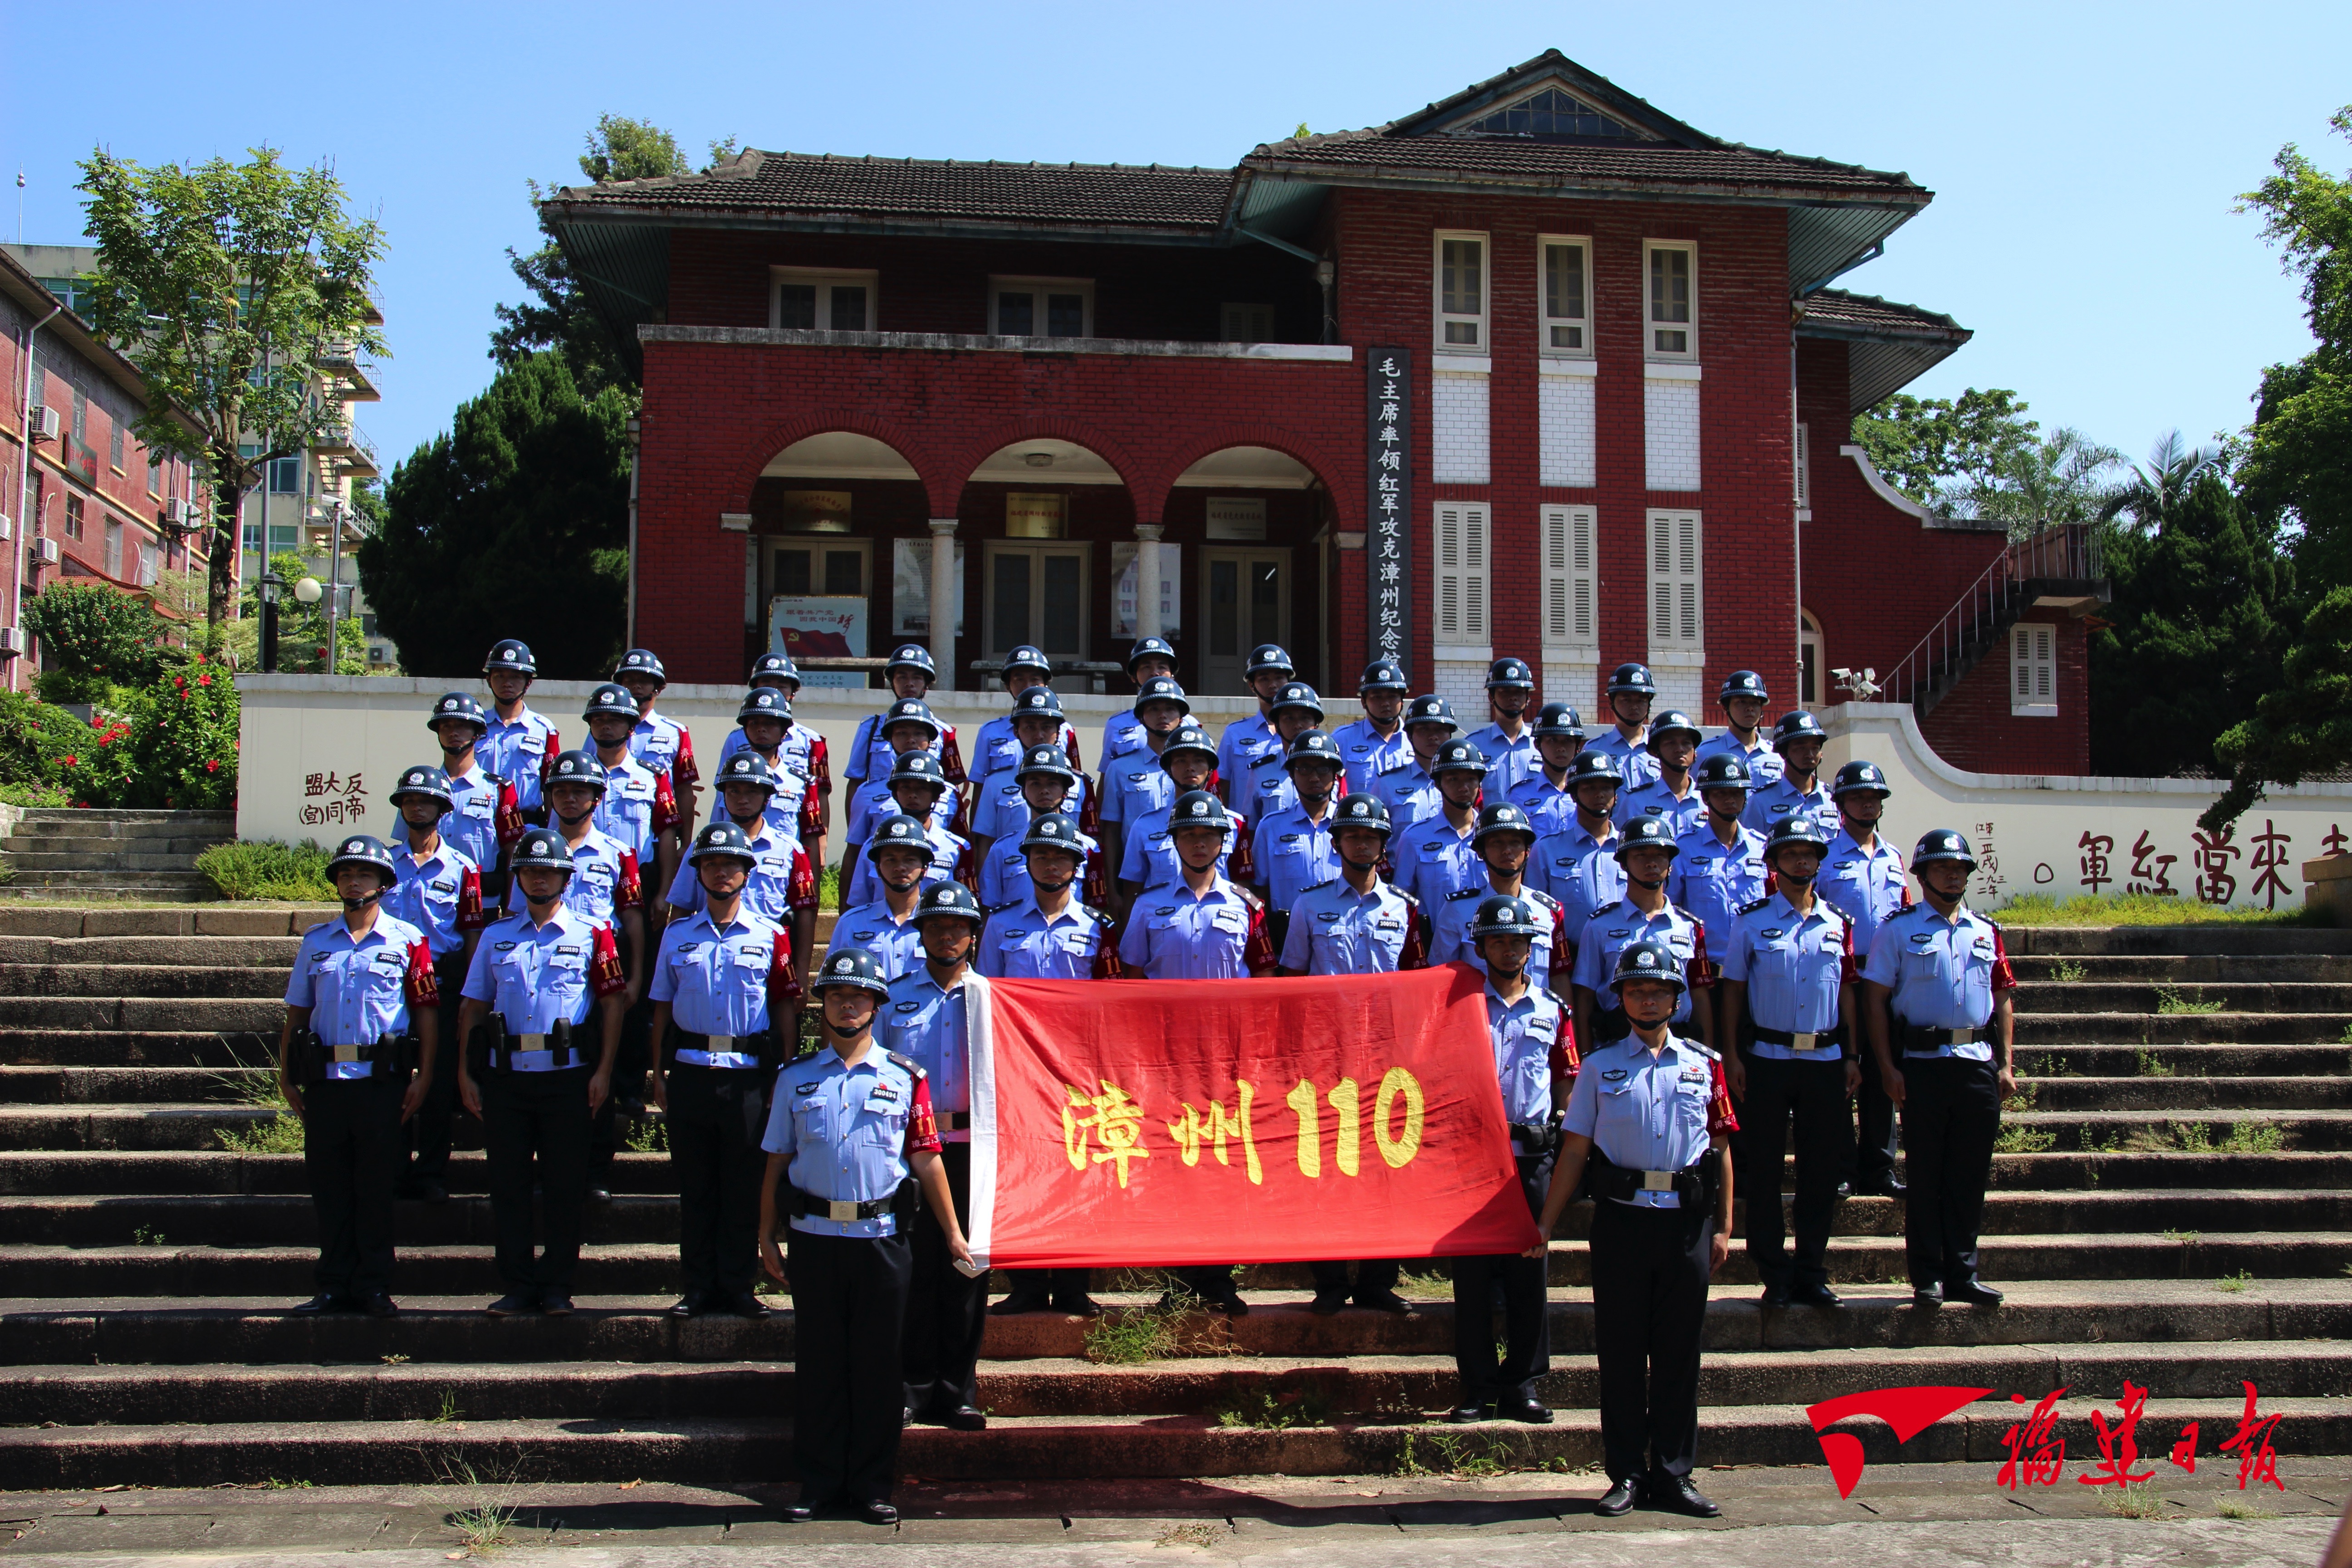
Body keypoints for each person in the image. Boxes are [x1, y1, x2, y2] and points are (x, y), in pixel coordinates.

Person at [758, 948, 970, 1527]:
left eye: (858, 997)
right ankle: (820, 1483)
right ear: (821, 1006)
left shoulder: (906, 1079)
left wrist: (953, 1235)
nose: (846, 1006)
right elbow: (777, 1161)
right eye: (835, 996)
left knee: (879, 1367)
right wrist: (766, 1236)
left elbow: (927, 1161)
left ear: (877, 1006)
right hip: (815, 1238)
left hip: (881, 1241)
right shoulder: (796, 1079)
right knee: (821, 1364)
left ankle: (874, 1485)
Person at [1531, 939, 1737, 1520]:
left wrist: (1724, 1228)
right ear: (1620, 998)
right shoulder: (1599, 1067)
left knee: (1678, 1354)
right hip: (1622, 1222)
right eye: (1636, 990)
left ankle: (1673, 1473)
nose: (1648, 1000)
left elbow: (1720, 1151)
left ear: (1677, 998)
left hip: (1685, 1226)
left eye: (1659, 991)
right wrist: (1546, 1223)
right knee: (1621, 1353)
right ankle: (1625, 1473)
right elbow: (1574, 1153)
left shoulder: (1706, 1065)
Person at [455, 828, 628, 1316]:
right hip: (506, 1076)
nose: (539, 879)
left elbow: (613, 1004)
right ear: (519, 879)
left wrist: (605, 1070)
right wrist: (466, 1074)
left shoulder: (594, 933)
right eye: (530, 870)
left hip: (568, 1076)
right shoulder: (495, 935)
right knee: (507, 1185)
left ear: (566, 878)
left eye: (548, 871)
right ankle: (518, 1284)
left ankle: (556, 1285)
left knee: (564, 1184)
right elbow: (472, 1007)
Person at [1117, 791, 1274, 1316]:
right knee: (1173, 1164)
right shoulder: (1148, 906)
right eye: (1189, 835)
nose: (1199, 842)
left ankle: (1221, 1278)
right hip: (1167, 1060)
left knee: (1225, 1162)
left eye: (1208, 835)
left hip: (1228, 1059)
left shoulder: (1247, 907)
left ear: (1222, 842)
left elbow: (1266, 979)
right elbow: (1133, 976)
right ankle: (1180, 1279)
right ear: (1175, 842)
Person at [279, 835, 441, 1316]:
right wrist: (287, 1077)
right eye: (346, 874)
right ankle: (332, 1283)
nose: (354, 881)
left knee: (375, 1188)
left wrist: (426, 1075)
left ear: (384, 884)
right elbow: (296, 1016)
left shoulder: (410, 942)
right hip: (326, 1082)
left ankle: (373, 1284)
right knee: (330, 1188)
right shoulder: (316, 943)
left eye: (364, 874)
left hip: (380, 1082)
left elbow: (426, 1014)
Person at [647, 821, 802, 1319]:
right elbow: (661, 1009)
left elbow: (783, 1007)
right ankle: (697, 1287)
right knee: (696, 1188)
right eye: (711, 865)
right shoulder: (676, 936)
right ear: (699, 873)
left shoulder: (771, 935)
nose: (721, 873)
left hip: (748, 1077)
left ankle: (738, 1285)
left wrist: (783, 1072)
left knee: (742, 1188)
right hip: (691, 1071)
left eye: (730, 865)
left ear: (747, 873)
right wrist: (657, 1072)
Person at [1863, 829, 2017, 1311]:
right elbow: (1876, 1001)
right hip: (1923, 1066)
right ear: (1922, 875)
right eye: (1943, 868)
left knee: (1969, 1176)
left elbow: (2002, 998)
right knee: (1926, 1176)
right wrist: (1887, 1066)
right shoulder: (1898, 929)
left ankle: (1963, 1273)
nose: (1953, 876)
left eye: (1960, 869)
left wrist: (2008, 1063)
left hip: (1976, 1067)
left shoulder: (1985, 931)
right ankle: (1927, 1276)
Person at [978, 812, 1122, 1318]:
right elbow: (986, 996)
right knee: (1025, 1174)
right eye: (1042, 855)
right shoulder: (1000, 925)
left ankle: (1074, 1285)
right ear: (1028, 863)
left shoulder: (1099, 928)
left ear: (1077, 865)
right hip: (1020, 1069)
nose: (1052, 864)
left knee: (1078, 1175)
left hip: (1080, 1071)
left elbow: (1111, 1000)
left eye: (1061, 856)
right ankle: (1027, 1283)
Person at [1717, 816, 1858, 1310]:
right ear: (1773, 863)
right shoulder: (1751, 921)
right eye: (1792, 854)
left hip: (1824, 1059)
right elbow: (1733, 989)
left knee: (1820, 1173)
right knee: (1764, 1172)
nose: (1802, 862)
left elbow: (1847, 992)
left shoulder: (1839, 924)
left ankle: (1811, 1271)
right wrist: (1733, 1054)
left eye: (1810, 855)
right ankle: (1774, 1274)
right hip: (1767, 1059)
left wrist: (1853, 1054)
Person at [1450, 894, 1576, 1425]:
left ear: (1531, 947)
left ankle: (1523, 1383)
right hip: (1471, 1159)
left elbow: (1567, 1072)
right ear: (1481, 947)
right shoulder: (1458, 1007)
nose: (1508, 949)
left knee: (1530, 1272)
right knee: (1473, 1279)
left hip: (1532, 1158)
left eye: (1517, 940)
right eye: (1497, 940)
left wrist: (1564, 1121)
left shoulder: (1553, 1010)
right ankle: (1477, 1385)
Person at [889, 881, 992, 1428]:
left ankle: (959, 1390)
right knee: (915, 1271)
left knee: (967, 1273)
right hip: (910, 1155)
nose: (947, 935)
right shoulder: (895, 998)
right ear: (921, 932)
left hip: (974, 1151)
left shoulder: (995, 1001)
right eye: (936, 926)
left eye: (958, 927)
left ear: (973, 936)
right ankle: (913, 1386)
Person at [544, 750, 652, 1202]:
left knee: (598, 1072)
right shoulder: (535, 848)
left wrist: (636, 977)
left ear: (596, 798)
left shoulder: (618, 854)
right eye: (562, 791)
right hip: (547, 973)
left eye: (580, 791)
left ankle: (596, 1170)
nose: (570, 799)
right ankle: (549, 1168)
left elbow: (632, 920)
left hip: (602, 971)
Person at [382, 766, 486, 1205]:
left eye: (426, 801)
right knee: (389, 1075)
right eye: (409, 801)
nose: (417, 807)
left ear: (444, 810)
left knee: (438, 1080)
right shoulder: (382, 864)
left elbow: (473, 932)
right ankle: (391, 1167)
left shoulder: (464, 869)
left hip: (442, 981)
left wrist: (471, 991)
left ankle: (430, 1170)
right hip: (388, 983)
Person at [1818, 760, 1911, 1200]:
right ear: (1840, 804)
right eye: (1857, 796)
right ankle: (1842, 1166)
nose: (1867, 803)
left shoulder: (1893, 857)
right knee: (1841, 1072)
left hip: (1885, 978)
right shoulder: (1825, 857)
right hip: (1839, 977)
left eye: (1873, 797)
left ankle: (1880, 1165)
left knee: (1881, 1072)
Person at [662, 755, 823, 997]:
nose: (742, 799)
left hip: (770, 962)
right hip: (710, 959)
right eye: (734, 791)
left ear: (768, 797)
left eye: (752, 792)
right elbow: (682, 909)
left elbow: (806, 914)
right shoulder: (701, 847)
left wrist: (800, 972)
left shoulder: (790, 850)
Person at [1568, 817, 1714, 1052]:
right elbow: (1585, 997)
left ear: (1671, 863)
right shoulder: (1599, 926)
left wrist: (1707, 1056)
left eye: (1659, 855)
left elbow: (1699, 997)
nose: (1651, 864)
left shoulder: (1689, 927)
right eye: (1640, 856)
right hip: (1616, 1044)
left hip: (1678, 1046)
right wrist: (1585, 1057)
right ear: (1624, 864)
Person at [1277, 794, 1426, 980]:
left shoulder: (1403, 907)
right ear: (1336, 844)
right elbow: (1294, 976)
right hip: (1329, 1008)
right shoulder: (1308, 904)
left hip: (1383, 1008)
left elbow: (1417, 978)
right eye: (1352, 837)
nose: (1362, 845)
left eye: (1371, 838)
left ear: (1384, 846)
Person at [1429, 800, 1575, 980]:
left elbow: (1559, 979)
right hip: (1479, 1008)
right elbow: (1440, 977)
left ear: (1527, 850)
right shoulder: (1457, 910)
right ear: (1481, 852)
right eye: (1497, 843)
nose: (1507, 851)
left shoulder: (1549, 911)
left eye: (1515, 843)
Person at [402, 691, 519, 912]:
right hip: (430, 906)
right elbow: (405, 848)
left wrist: (511, 908)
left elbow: (513, 854)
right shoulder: (420, 789)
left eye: (462, 726)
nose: (453, 733)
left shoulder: (499, 790)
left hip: (483, 904)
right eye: (445, 726)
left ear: (477, 734)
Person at [1115, 725, 1246, 902]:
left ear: (1210, 769)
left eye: (1199, 761)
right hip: (1161, 924)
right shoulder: (1144, 826)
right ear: (1168, 769)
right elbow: (1133, 891)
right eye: (1181, 761)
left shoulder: (1234, 824)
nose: (1190, 768)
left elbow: (1245, 888)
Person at [1667, 755, 1769, 983]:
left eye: (1736, 793)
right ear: (1705, 797)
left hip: (1757, 973)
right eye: (1721, 793)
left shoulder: (1761, 848)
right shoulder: (1684, 849)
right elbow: (1671, 908)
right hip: (1705, 974)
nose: (1730, 800)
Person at [1247, 729, 1346, 956]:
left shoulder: (1350, 827)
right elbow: (1259, 889)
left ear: (1335, 775)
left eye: (1323, 768)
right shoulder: (1271, 827)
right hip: (1287, 936)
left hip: (1341, 933)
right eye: (1304, 769)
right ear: (1291, 775)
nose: (1314, 777)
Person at [974, 745, 1105, 911]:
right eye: (1035, 784)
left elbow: (1096, 912)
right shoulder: (1002, 849)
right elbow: (989, 910)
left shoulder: (1088, 849)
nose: (1044, 791)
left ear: (1066, 791)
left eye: (1052, 784)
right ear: (1023, 791)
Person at [720, 654, 833, 840]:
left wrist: (821, 843)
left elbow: (819, 797)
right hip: (740, 836)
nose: (774, 691)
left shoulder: (812, 741)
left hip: (787, 835)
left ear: (793, 693)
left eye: (782, 686)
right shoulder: (735, 738)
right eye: (767, 684)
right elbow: (722, 795)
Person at [969, 687, 1088, 863]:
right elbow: (986, 843)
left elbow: (1090, 842)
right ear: (1016, 732)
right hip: (1012, 875)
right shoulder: (995, 782)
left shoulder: (1078, 783)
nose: (1039, 735)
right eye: (1030, 727)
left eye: (1046, 727)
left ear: (1059, 732)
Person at [583, 682, 680, 898]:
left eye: (615, 720)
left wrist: (664, 893)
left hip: (641, 882)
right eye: (599, 720)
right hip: (588, 880)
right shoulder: (578, 776)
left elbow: (667, 836)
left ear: (631, 727)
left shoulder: (654, 777)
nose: (606, 726)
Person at [843, 752, 973, 909]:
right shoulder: (872, 846)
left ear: (936, 797)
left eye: (922, 789)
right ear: (895, 794)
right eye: (905, 788)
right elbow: (858, 904)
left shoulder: (957, 848)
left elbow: (970, 908)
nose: (913, 795)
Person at [1094, 676, 1190, 885]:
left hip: (1189, 877)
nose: (1162, 715)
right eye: (1153, 709)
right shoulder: (1120, 769)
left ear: (1181, 718)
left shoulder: (1196, 769)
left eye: (1170, 709)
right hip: (1138, 881)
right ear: (1140, 718)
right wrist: (1111, 888)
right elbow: (1111, 832)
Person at [844, 700, 962, 866]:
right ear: (890, 739)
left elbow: (960, 849)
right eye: (901, 734)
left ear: (930, 740)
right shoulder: (867, 793)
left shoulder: (949, 793)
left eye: (919, 733)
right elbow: (854, 852)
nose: (911, 740)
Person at [843, 643, 964, 798]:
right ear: (892, 682)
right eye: (902, 677)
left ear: (927, 684)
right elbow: (856, 782)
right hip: (881, 814)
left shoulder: (944, 732)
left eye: (917, 677)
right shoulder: (870, 728)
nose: (909, 683)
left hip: (928, 817)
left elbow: (952, 788)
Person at [824, 814, 936, 981]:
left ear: (925, 869)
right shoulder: (852, 923)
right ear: (877, 868)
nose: (900, 867)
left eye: (910, 860)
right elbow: (833, 983)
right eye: (891, 860)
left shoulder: (939, 923)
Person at [1529, 751, 1627, 935]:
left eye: (1606, 788)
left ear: (1616, 795)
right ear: (1573, 795)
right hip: (1567, 957)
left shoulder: (1631, 849)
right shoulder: (1546, 850)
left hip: (1622, 955)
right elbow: (1536, 913)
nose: (1599, 795)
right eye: (1589, 788)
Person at [730, 687, 826, 866]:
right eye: (754, 723)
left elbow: (811, 837)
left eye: (770, 724)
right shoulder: (732, 779)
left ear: (784, 731)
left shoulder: (801, 783)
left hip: (782, 869)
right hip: (735, 866)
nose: (761, 730)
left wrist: (813, 889)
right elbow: (719, 820)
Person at [614, 647, 700, 848]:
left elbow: (684, 790)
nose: (635, 687)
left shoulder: (675, 732)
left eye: (643, 681)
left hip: (660, 835)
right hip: (615, 828)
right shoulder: (602, 729)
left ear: (658, 688)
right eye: (629, 681)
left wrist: (686, 845)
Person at [1387, 738, 1489, 905]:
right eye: (1453, 779)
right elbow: (1402, 901)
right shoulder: (1414, 838)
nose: (1464, 787)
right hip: (1435, 931)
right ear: (1437, 784)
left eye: (1471, 779)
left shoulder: (1493, 836)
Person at [970, 646, 1080, 789]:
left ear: (1046, 684)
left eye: (1034, 679)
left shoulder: (1065, 731)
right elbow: (981, 786)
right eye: (1019, 679)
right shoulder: (990, 732)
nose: (1027, 686)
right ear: (1007, 686)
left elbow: (1075, 781)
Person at [479, 640, 560, 822]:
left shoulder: (544, 729)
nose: (507, 683)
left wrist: (553, 830)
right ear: (488, 680)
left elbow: (551, 787)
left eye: (515, 677)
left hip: (527, 825)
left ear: (528, 682)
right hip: (481, 823)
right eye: (499, 676)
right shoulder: (475, 726)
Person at [1235, 682, 1328, 826]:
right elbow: (1251, 828)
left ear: (1316, 724)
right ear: (1277, 725)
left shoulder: (1331, 771)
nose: (1298, 725)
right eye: (1289, 718)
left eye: (1305, 718)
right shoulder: (1261, 771)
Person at [1215, 643, 1296, 802]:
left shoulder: (1301, 732)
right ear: (1252, 685)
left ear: (1288, 682)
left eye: (1279, 678)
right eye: (1264, 678)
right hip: (1245, 824)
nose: (1273, 685)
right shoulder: (1235, 734)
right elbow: (1222, 785)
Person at [1372, 696, 1461, 828]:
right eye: (1424, 729)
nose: (1433, 737)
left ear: (1450, 735)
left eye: (1440, 730)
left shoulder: (1465, 783)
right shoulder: (1387, 784)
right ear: (1410, 735)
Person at [1743, 711, 1833, 839]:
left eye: (1815, 748)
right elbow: (1752, 850)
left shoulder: (1833, 799)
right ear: (1783, 752)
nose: (1810, 755)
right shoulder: (1760, 801)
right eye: (1801, 748)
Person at [1615, 710, 1704, 838]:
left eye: (1686, 743)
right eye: (1671, 743)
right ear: (1656, 751)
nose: (1680, 749)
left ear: (1695, 751)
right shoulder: (1635, 802)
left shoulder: (1708, 799)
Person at [1329, 659, 1411, 796]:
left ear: (1402, 702)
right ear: (1363, 702)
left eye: (1392, 697)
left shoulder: (1416, 740)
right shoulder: (1342, 740)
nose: (1385, 703)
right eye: (1377, 697)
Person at [1694, 670, 1784, 791]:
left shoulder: (1777, 755)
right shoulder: (1704, 754)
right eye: (1742, 702)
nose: (1750, 708)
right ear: (1725, 708)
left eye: (1756, 703)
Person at [1507, 703, 1588, 836]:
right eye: (1553, 740)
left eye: (1568, 740)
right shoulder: (1519, 795)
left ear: (1578, 746)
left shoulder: (1588, 791)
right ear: (1537, 744)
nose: (1561, 748)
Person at [1465, 657, 1540, 796]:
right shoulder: (1473, 746)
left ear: (1528, 698)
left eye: (1519, 692)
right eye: (1505, 692)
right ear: (1491, 698)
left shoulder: (1541, 745)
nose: (1513, 698)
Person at [1100, 637, 1180, 764]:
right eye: (1146, 667)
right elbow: (1108, 774)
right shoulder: (1117, 723)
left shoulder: (1190, 724)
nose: (1155, 673)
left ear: (1172, 675)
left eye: (1162, 667)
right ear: (1133, 677)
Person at [1588, 663, 1660, 790]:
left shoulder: (1662, 748)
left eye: (1641, 700)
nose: (1634, 706)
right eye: (1626, 700)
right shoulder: (1594, 749)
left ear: (1649, 705)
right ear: (1611, 702)